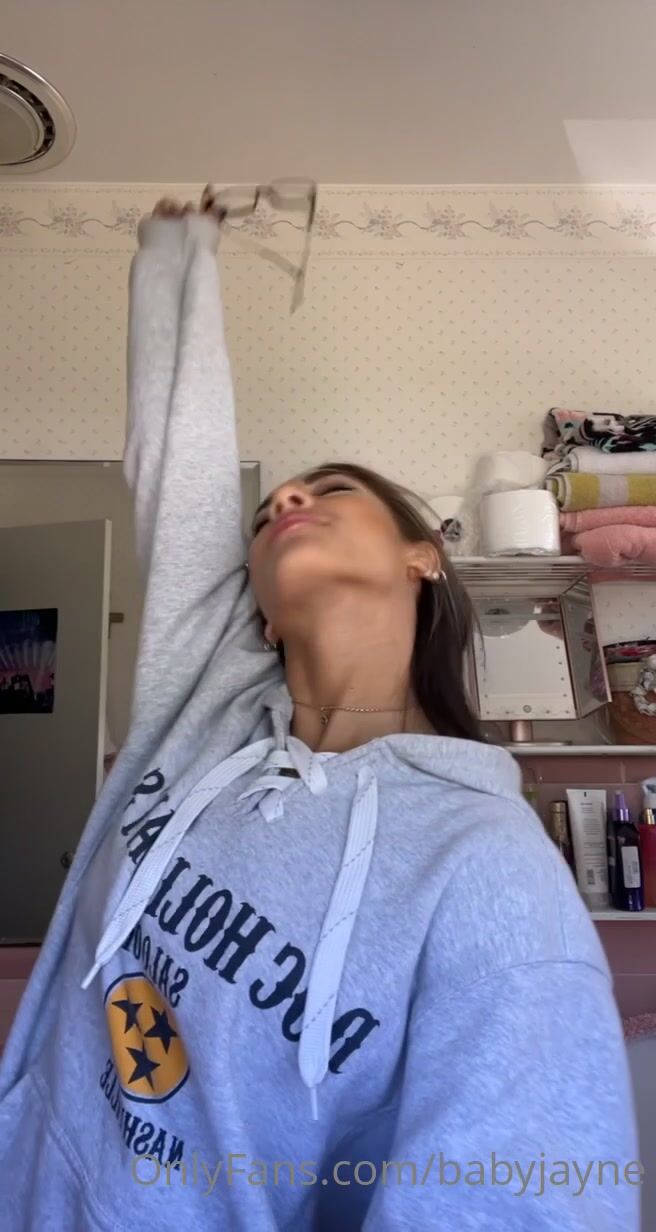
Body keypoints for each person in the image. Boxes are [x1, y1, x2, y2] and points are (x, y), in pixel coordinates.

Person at [0, 193, 639, 1232]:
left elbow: (516, 1202)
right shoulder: (205, 709)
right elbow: (180, 479)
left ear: (423, 554)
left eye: (328, 490)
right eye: (268, 512)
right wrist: (176, 260)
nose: (288, 500)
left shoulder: (486, 870)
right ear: (252, 606)